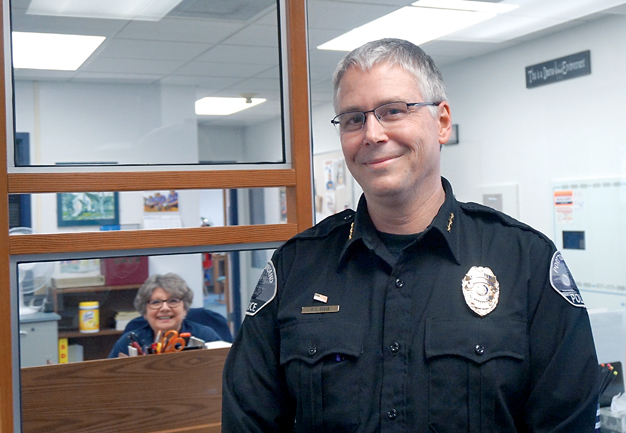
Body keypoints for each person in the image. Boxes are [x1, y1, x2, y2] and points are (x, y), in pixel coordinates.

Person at [222, 38, 600, 432]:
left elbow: (566, 418)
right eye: (353, 119)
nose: (372, 134)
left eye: (393, 111)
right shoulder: (297, 266)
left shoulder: (526, 262)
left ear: (441, 122)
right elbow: (248, 419)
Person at [108, 273, 221, 357]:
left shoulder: (206, 337)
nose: (165, 308)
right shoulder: (128, 342)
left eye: (173, 301)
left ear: (185, 309)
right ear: (145, 312)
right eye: (156, 302)